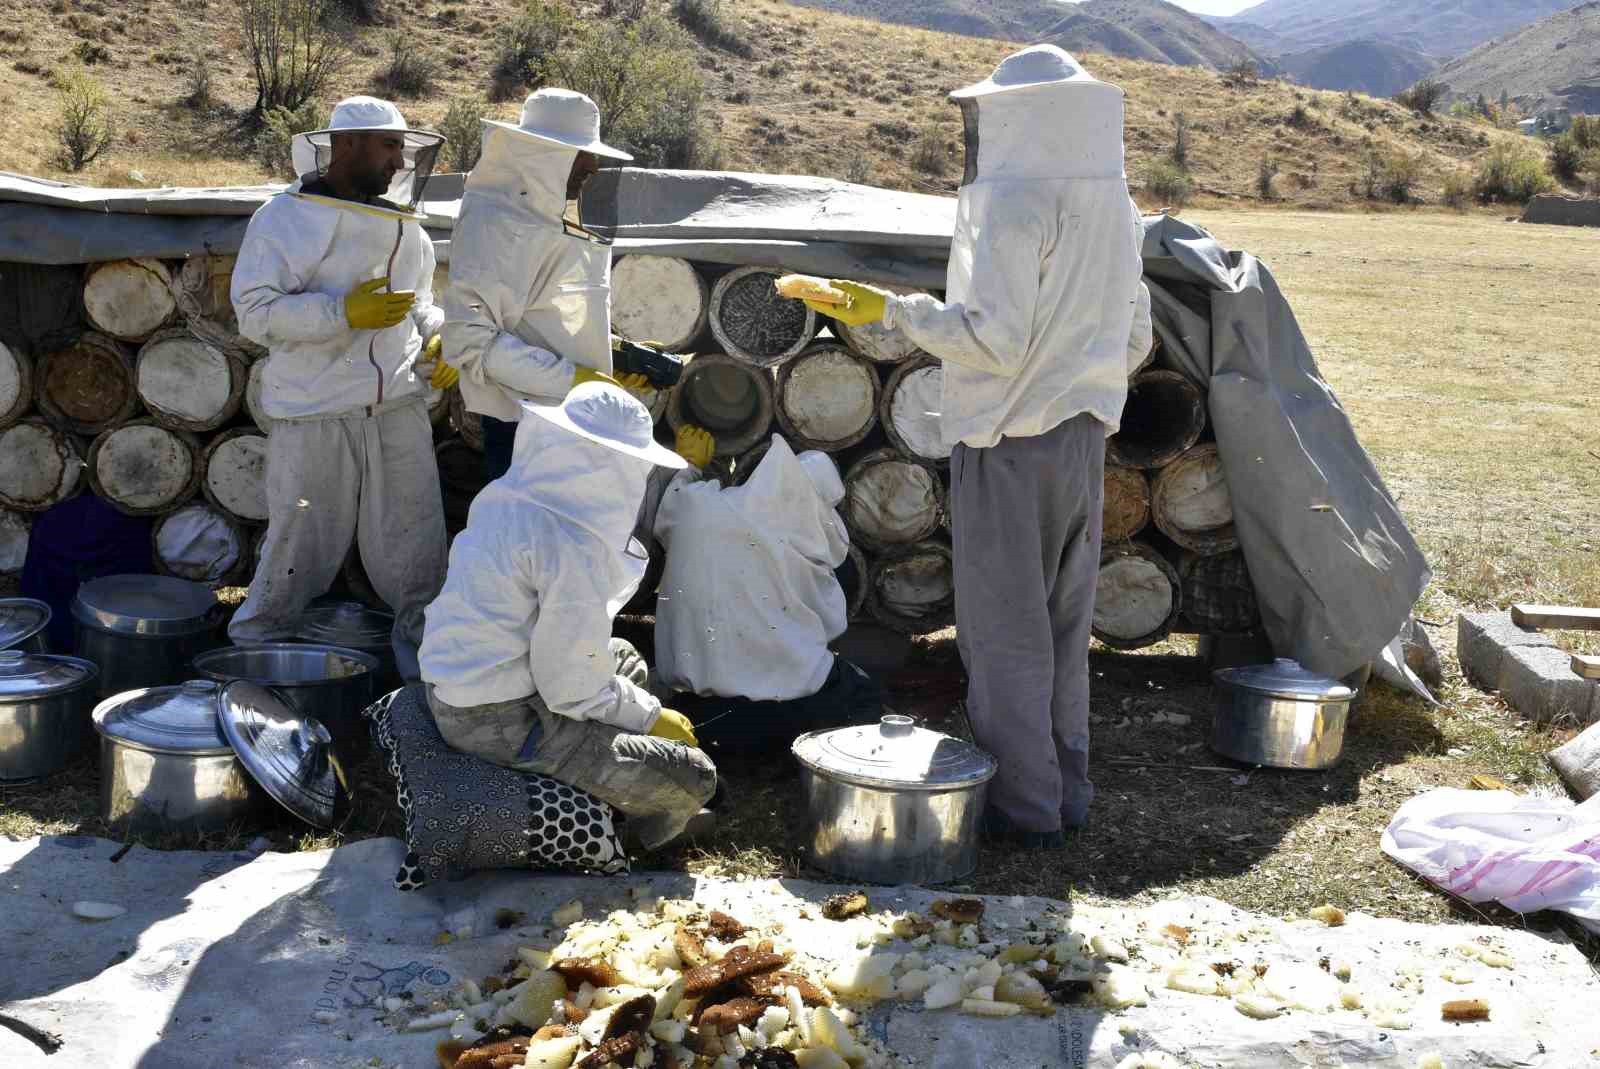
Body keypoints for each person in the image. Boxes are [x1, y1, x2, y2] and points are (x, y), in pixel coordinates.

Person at [802, 46, 1152, 847]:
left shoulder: (1015, 204)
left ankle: (1021, 811)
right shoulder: (1117, 206)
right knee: (1065, 633)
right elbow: (1135, 334)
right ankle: (1067, 794)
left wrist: (898, 312)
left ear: (1012, 118)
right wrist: (1075, 382)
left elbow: (991, 342)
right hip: (1082, 443)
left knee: (1005, 640)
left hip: (1007, 444)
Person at [419, 382, 718, 851]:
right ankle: (640, 830)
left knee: (622, 656)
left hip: (462, 689)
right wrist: (652, 717)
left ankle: (587, 766)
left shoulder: (505, 497)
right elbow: (569, 686)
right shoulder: (568, 545)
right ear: (611, 465)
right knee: (694, 777)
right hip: (502, 719)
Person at [229, 96, 456, 682]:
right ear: (347, 144)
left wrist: (439, 339)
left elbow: (420, 305)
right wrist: (342, 312)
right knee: (295, 553)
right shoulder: (283, 218)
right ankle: (254, 674)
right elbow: (255, 313)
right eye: (389, 146)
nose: (399, 160)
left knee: (418, 558)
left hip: (397, 409)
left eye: (403, 148)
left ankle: (430, 690)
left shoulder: (408, 226)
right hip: (315, 412)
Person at [444, 88, 652, 482]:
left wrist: (614, 356)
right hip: (522, 424)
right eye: (580, 154)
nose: (591, 165)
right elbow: (471, 340)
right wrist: (574, 380)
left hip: (564, 417)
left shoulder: (539, 218)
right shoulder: (494, 223)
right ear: (542, 155)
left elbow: (545, 314)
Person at [650, 435, 882, 756]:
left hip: (699, 713)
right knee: (863, 694)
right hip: (791, 714)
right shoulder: (810, 545)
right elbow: (829, 627)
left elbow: (672, 502)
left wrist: (691, 466)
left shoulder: (699, 504)